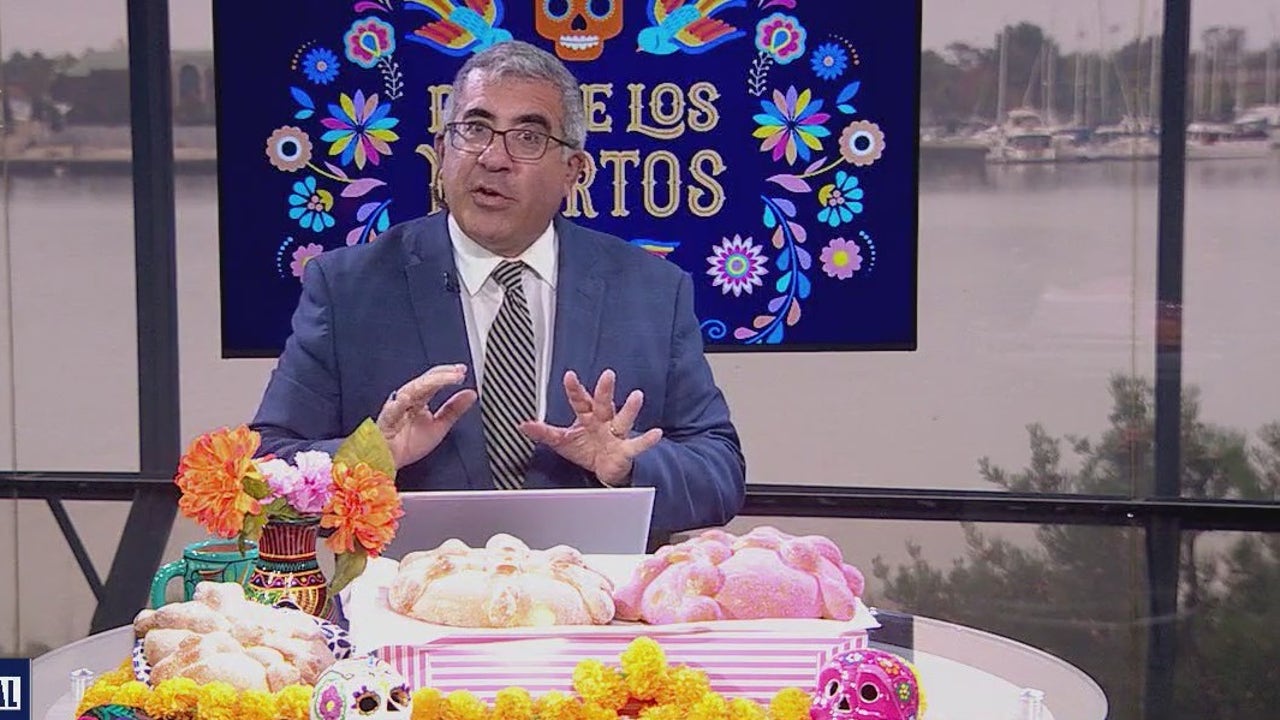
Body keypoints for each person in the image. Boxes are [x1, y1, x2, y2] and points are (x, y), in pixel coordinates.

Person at [250, 40, 744, 535]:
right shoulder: (347, 288)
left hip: (598, 603)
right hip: (408, 602)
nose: (493, 157)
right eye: (475, 129)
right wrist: (372, 455)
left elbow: (720, 472)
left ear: (573, 171)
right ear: (443, 153)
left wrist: (628, 467)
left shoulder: (652, 290)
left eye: (528, 137)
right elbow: (266, 468)